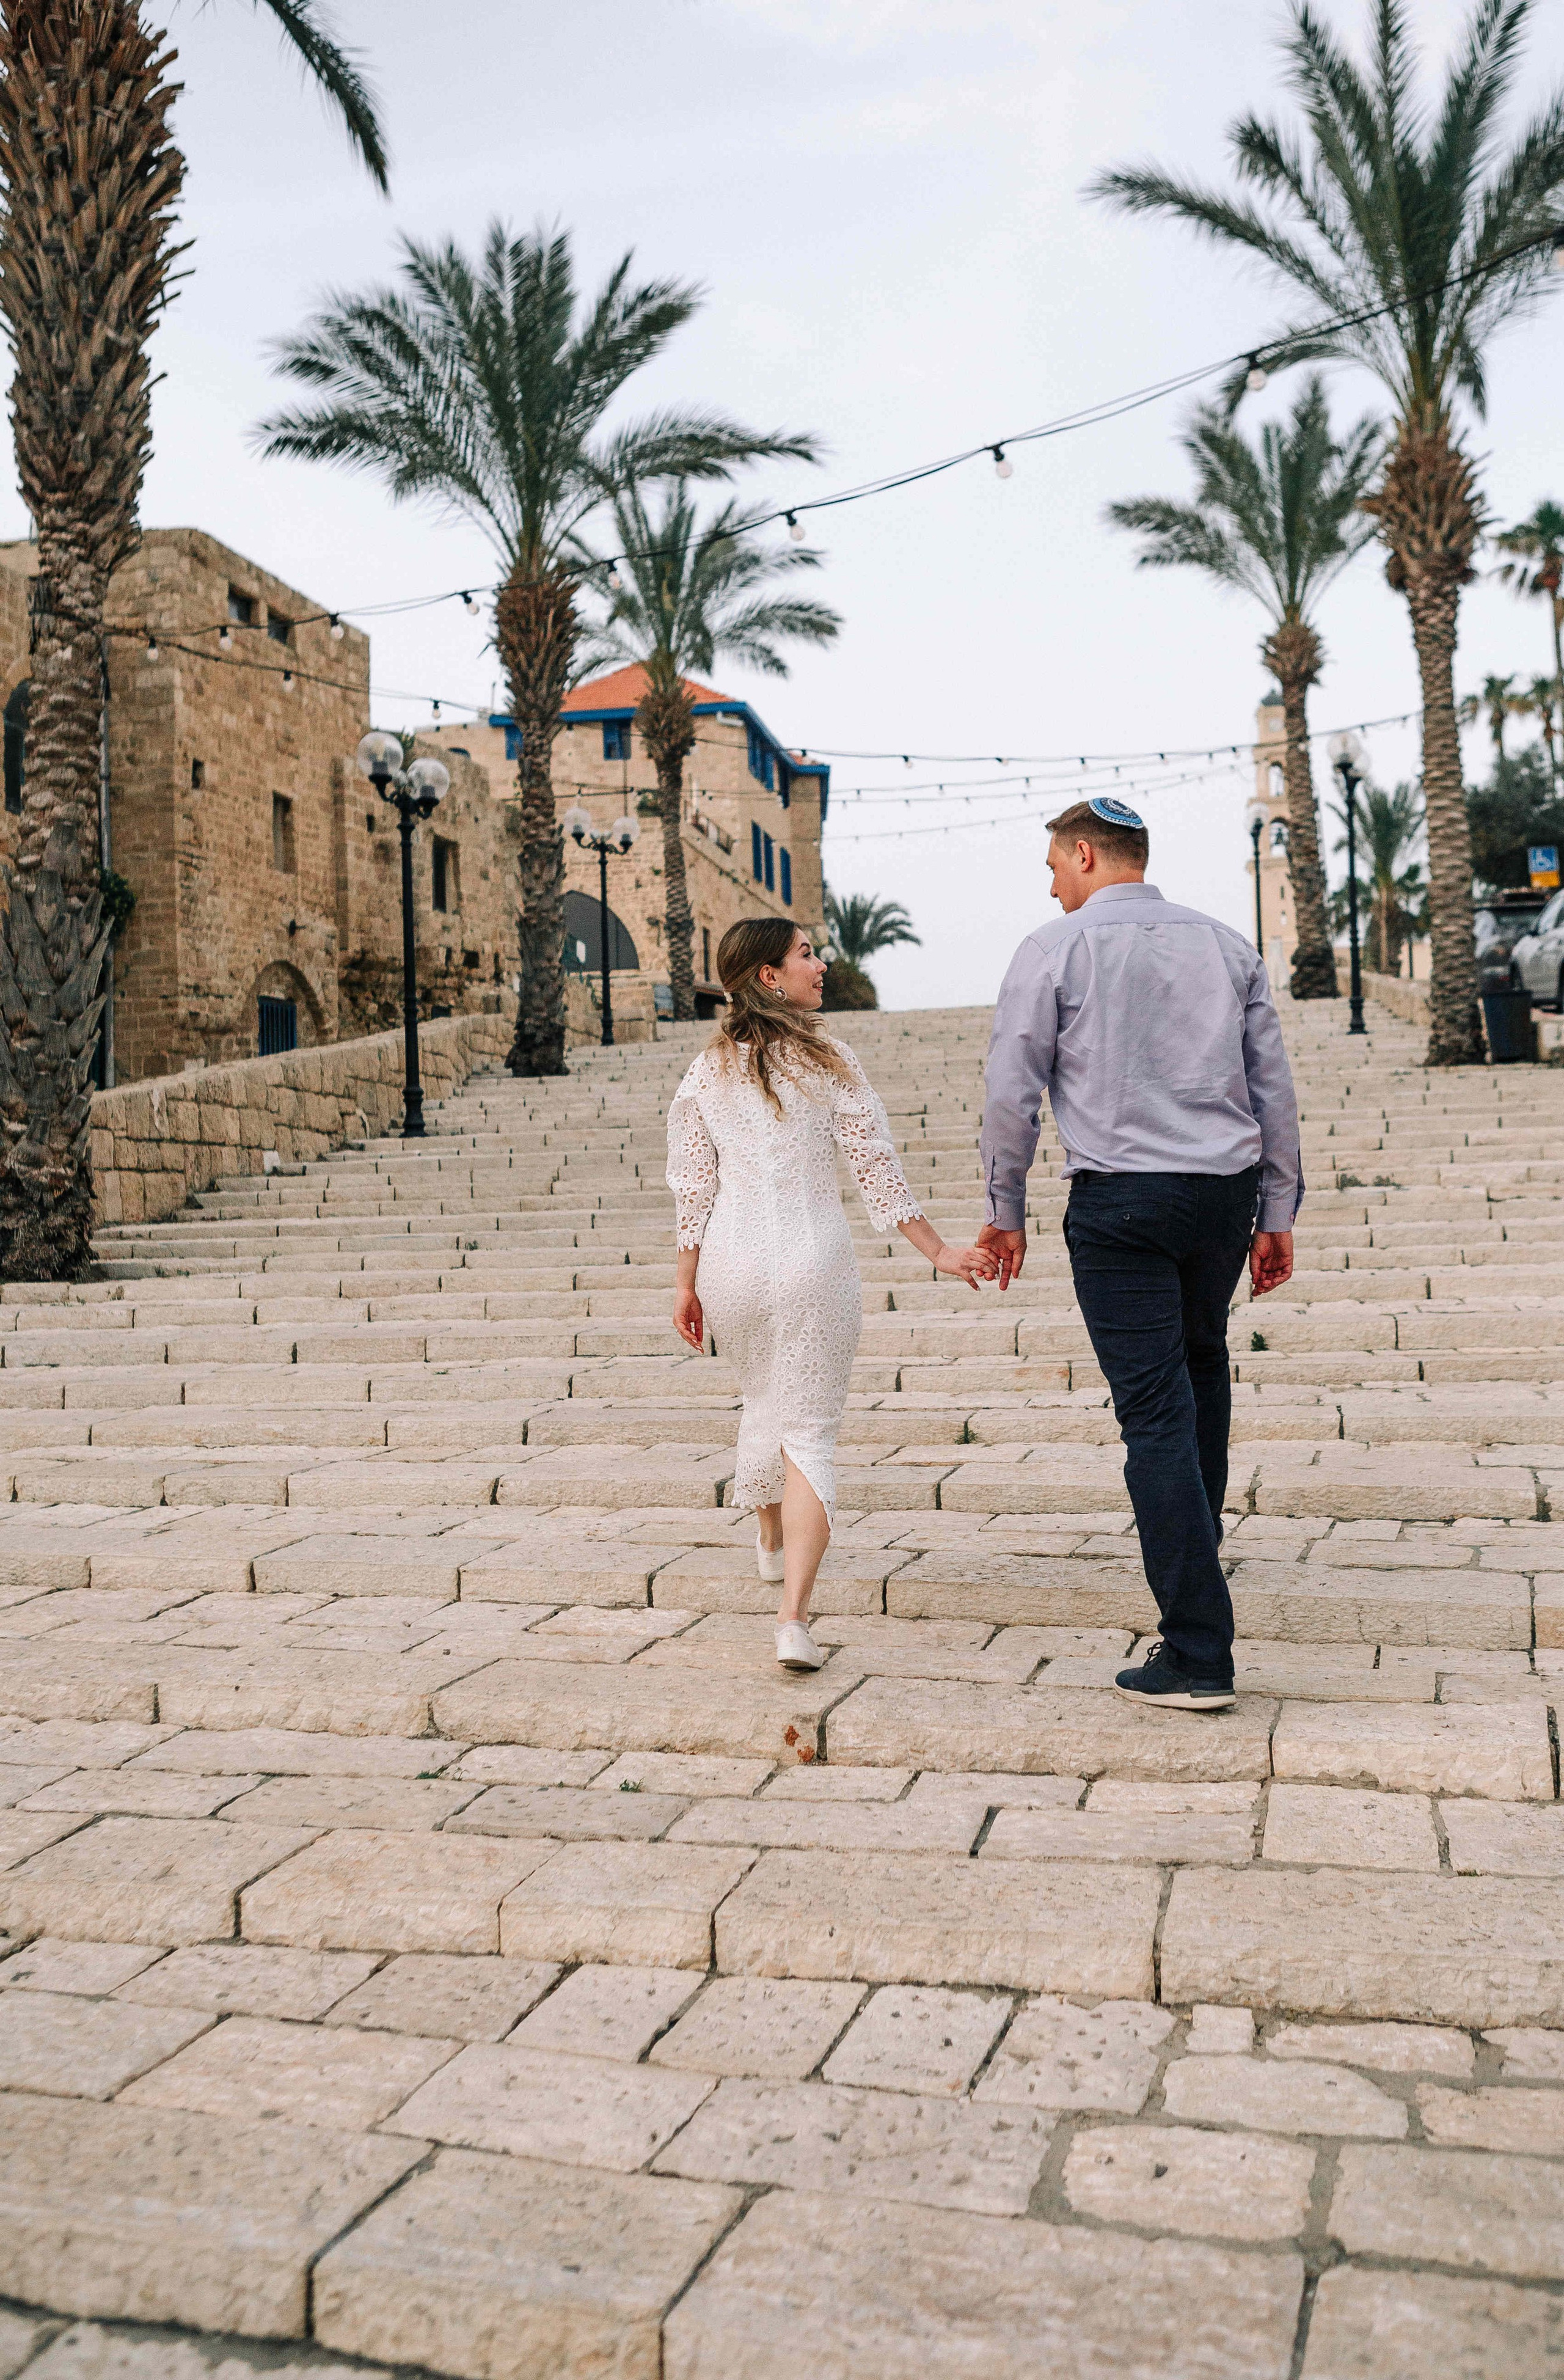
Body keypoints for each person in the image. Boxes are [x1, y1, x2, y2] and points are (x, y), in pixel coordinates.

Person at [978, 796, 1303, 1712]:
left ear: (1086, 854)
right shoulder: (1227, 945)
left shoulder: (1055, 948)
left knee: (1154, 1412)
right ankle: (1197, 1561)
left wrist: (1005, 1206)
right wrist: (1278, 1208)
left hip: (1122, 1203)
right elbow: (1272, 1087)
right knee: (1202, 1369)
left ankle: (1198, 1651)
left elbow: (1012, 1091)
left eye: (1053, 864)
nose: (1051, 884)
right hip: (1222, 1197)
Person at [668, 917, 996, 1671]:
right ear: (768, 977)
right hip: (815, 1262)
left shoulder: (704, 1073)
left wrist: (684, 1283)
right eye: (806, 954)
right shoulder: (831, 1061)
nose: (822, 964)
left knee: (763, 1401)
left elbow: (694, 1188)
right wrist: (938, 1250)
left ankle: (768, 1535)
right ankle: (793, 1620)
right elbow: (876, 1169)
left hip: (731, 1267)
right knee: (808, 1429)